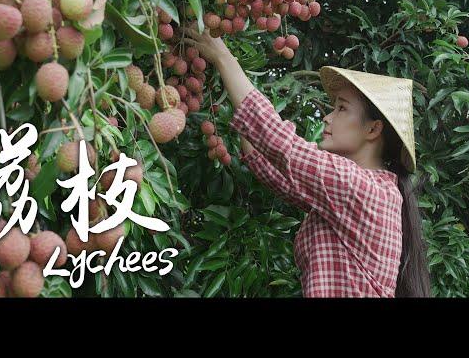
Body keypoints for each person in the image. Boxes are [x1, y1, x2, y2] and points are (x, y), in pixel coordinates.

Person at [183, 24, 431, 298]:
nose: (327, 117)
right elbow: (274, 171)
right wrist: (227, 78)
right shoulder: (354, 196)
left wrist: (223, 57)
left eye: (341, 108)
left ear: (372, 129)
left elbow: (284, 147)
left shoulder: (363, 189)